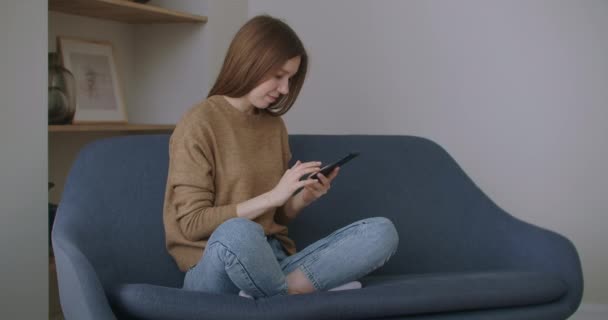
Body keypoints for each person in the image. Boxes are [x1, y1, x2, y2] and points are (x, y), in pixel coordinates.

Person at [163, 15, 399, 299]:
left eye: (290, 78)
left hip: (274, 260)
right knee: (238, 232)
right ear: (249, 62)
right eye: (278, 76)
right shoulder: (199, 122)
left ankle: (276, 292)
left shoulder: (273, 126)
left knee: (381, 232)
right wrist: (273, 196)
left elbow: (277, 217)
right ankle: (299, 292)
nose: (285, 89)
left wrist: (301, 198)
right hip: (216, 266)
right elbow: (191, 223)